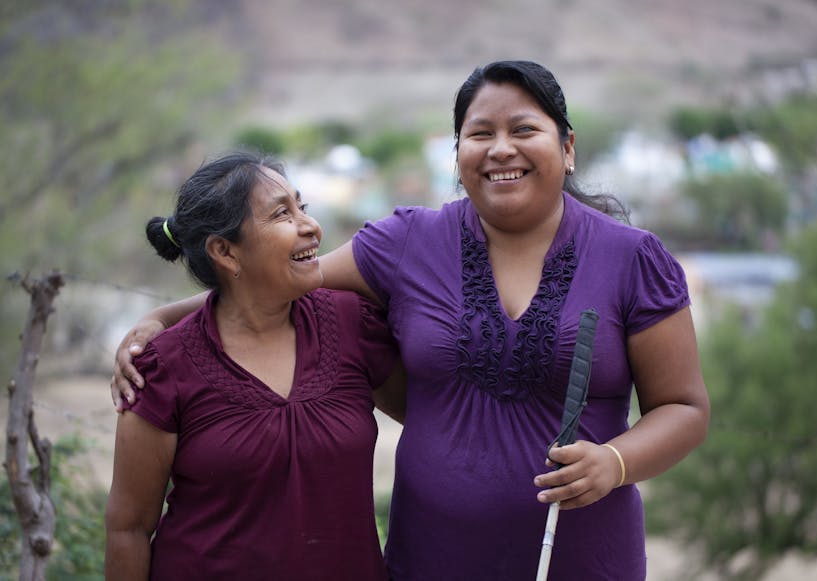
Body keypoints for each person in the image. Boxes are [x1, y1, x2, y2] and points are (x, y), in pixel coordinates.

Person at [111, 61, 710, 580]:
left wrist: (617, 461)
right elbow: (281, 283)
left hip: (579, 559)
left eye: (524, 129)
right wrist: (164, 317)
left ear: (568, 146)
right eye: (480, 133)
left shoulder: (633, 258)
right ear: (457, 154)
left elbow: (684, 408)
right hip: (431, 559)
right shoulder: (405, 243)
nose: (501, 148)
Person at [103, 151, 399, 580]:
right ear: (225, 251)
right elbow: (128, 528)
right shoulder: (162, 368)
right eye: (282, 214)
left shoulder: (353, 325)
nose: (310, 227)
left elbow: (432, 420)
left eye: (303, 208)